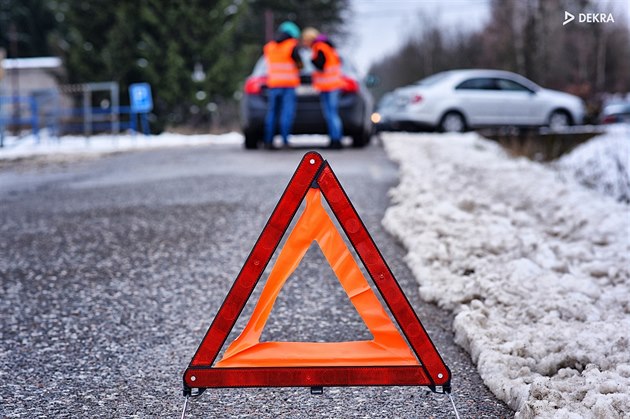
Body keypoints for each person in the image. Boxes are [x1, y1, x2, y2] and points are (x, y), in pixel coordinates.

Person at [263, 21, 303, 150]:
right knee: (287, 113)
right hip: (288, 85)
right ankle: (285, 141)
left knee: (272, 113)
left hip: (274, 84)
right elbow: (300, 64)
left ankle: (268, 141)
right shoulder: (292, 46)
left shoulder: (269, 47)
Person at [303, 28, 344, 149]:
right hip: (332, 85)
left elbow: (321, 65)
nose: (305, 44)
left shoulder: (319, 47)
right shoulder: (328, 47)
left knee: (331, 114)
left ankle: (336, 140)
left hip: (329, 86)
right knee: (332, 114)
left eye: (305, 41)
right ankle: (334, 139)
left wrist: (312, 61)